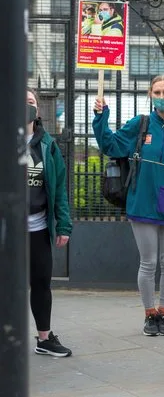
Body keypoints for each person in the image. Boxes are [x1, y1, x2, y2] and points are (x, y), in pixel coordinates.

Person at [93, 75, 164, 336]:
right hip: (142, 202)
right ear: (150, 94)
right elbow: (109, 144)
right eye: (157, 92)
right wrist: (100, 116)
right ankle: (150, 315)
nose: (162, 96)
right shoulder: (139, 125)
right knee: (148, 263)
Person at [26, 88, 73, 357]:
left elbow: (59, 189)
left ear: (38, 110)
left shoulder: (48, 145)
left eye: (31, 102)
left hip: (37, 228)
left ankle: (44, 338)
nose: (27, 106)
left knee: (41, 282)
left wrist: (64, 225)